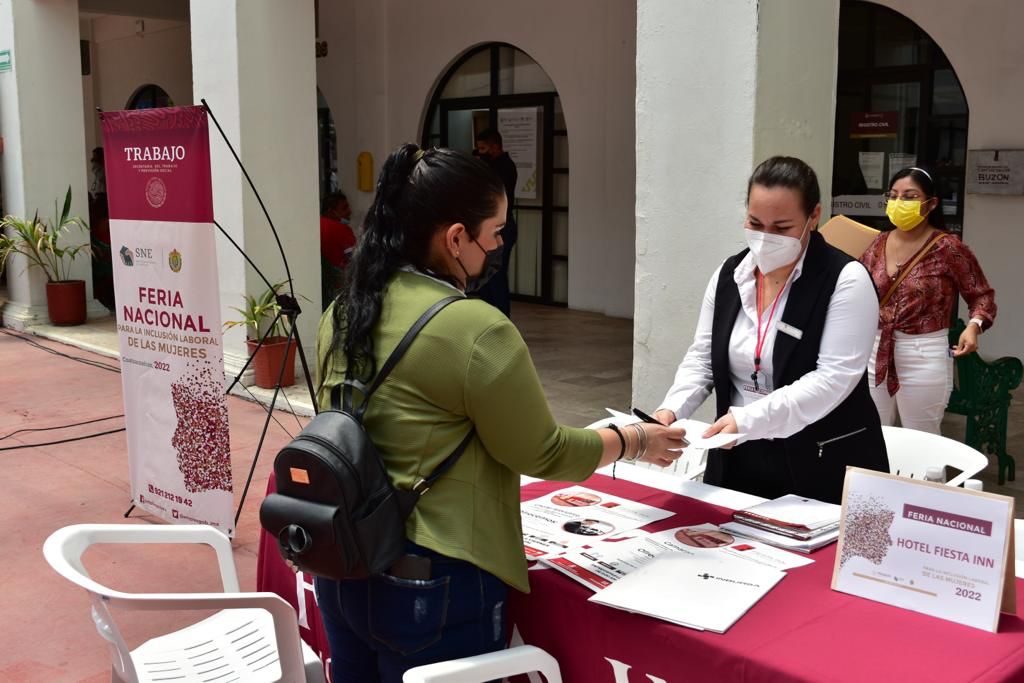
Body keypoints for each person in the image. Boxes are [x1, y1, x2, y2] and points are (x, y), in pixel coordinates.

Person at [314, 143, 685, 682]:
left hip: (345, 559)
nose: (499, 247)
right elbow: (542, 450)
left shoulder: (344, 309)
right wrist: (635, 439)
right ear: (456, 238)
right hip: (434, 577)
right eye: (495, 233)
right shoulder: (475, 328)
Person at [653, 156, 888, 504]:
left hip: (822, 460)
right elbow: (703, 357)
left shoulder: (845, 279)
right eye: (754, 223)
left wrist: (748, 420)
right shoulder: (730, 274)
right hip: (738, 454)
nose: (765, 238)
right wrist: (670, 412)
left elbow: (834, 378)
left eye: (781, 228)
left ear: (813, 216)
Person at [860, 167, 997, 434]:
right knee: (873, 436)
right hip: (876, 351)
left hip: (923, 353)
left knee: (922, 440)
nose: (899, 203)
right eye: (894, 195)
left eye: (910, 197)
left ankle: (925, 478)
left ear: (931, 203)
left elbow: (981, 294)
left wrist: (974, 325)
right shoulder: (876, 243)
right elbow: (857, 290)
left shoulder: (948, 248)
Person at [473, 128, 518, 316]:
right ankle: (488, 318)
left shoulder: (505, 167)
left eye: (483, 148)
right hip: (488, 229)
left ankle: (502, 321)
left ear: (495, 147)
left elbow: (496, 193)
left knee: (496, 277)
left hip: (502, 229)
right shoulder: (490, 165)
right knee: (484, 278)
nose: (480, 153)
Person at [320, 190, 357, 310]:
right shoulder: (341, 230)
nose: (349, 211)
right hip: (339, 288)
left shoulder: (315, 224)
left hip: (321, 286)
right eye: (344, 208)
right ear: (331, 211)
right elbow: (355, 260)